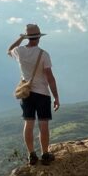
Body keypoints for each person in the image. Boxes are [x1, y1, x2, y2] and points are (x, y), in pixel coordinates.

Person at [7, 23, 60, 166]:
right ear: (39, 38)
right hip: (42, 93)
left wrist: (21, 39)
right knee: (43, 125)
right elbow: (50, 77)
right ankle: (45, 154)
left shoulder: (20, 51)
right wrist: (56, 97)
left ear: (28, 37)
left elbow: (9, 50)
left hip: (27, 92)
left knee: (28, 124)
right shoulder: (44, 54)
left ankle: (31, 155)